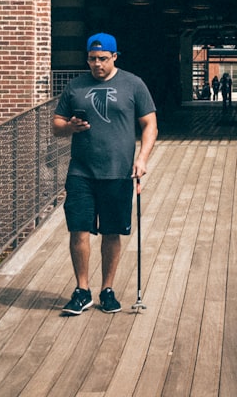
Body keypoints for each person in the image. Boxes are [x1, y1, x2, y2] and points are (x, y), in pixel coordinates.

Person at [53, 33, 158, 315]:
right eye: (91, 59)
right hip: (81, 171)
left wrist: (142, 159)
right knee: (79, 230)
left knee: (112, 232)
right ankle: (82, 290)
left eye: (102, 59)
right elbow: (56, 124)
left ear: (114, 57)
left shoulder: (133, 84)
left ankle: (107, 290)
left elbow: (150, 125)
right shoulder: (75, 86)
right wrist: (69, 127)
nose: (96, 64)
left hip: (118, 171)